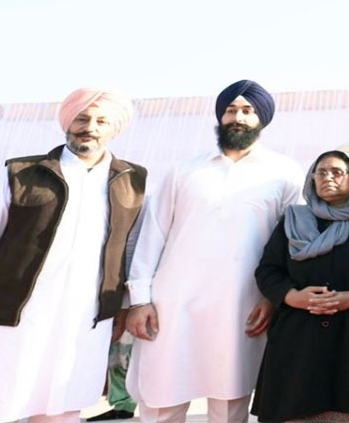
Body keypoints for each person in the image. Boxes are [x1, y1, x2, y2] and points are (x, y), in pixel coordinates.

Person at [0, 87, 145, 423]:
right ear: (67, 122)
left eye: (101, 121)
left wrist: (123, 306)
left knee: (62, 412)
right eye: (82, 118)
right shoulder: (22, 173)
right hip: (12, 321)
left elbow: (131, 249)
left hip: (84, 324)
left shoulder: (132, 180)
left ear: (115, 128)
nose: (89, 127)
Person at [126, 79, 301, 423]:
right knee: (162, 400)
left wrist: (273, 299)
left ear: (262, 119)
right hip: (172, 304)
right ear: (220, 117)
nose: (238, 117)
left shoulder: (285, 173)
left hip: (242, 304)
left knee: (229, 402)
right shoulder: (185, 169)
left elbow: (291, 244)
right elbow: (152, 235)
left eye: (248, 111)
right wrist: (139, 300)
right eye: (231, 110)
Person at [251, 147, 349, 423]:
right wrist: (291, 296)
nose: (328, 177)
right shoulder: (293, 218)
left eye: (337, 172)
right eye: (321, 172)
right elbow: (268, 269)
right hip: (297, 336)